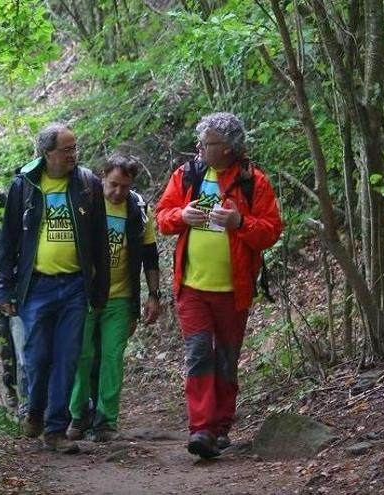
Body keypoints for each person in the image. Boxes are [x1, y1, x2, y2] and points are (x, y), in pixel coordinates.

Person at [155, 112, 283, 459]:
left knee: (226, 359)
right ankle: (201, 429)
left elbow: (271, 231)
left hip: (233, 289)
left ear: (227, 148)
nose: (200, 148)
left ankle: (221, 427)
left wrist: (240, 220)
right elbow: (162, 217)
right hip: (192, 287)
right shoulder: (188, 175)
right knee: (198, 354)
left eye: (207, 143)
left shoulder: (252, 181)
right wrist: (182, 216)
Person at [0, 122, 109, 454]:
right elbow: (8, 240)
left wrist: (99, 290)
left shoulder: (88, 185)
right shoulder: (25, 185)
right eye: (67, 149)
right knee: (38, 356)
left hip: (75, 286)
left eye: (76, 148)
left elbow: (100, 241)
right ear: (47, 153)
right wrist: (4, 288)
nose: (74, 154)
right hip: (37, 286)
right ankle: (35, 410)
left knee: (67, 358)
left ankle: (56, 430)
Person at [66, 154, 161, 442]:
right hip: (85, 294)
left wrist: (153, 295)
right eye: (113, 184)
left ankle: (106, 420)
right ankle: (78, 415)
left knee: (112, 358)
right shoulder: (86, 203)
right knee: (81, 356)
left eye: (125, 186)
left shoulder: (137, 209)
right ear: (103, 176)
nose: (118, 192)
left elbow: (150, 256)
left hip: (121, 298)